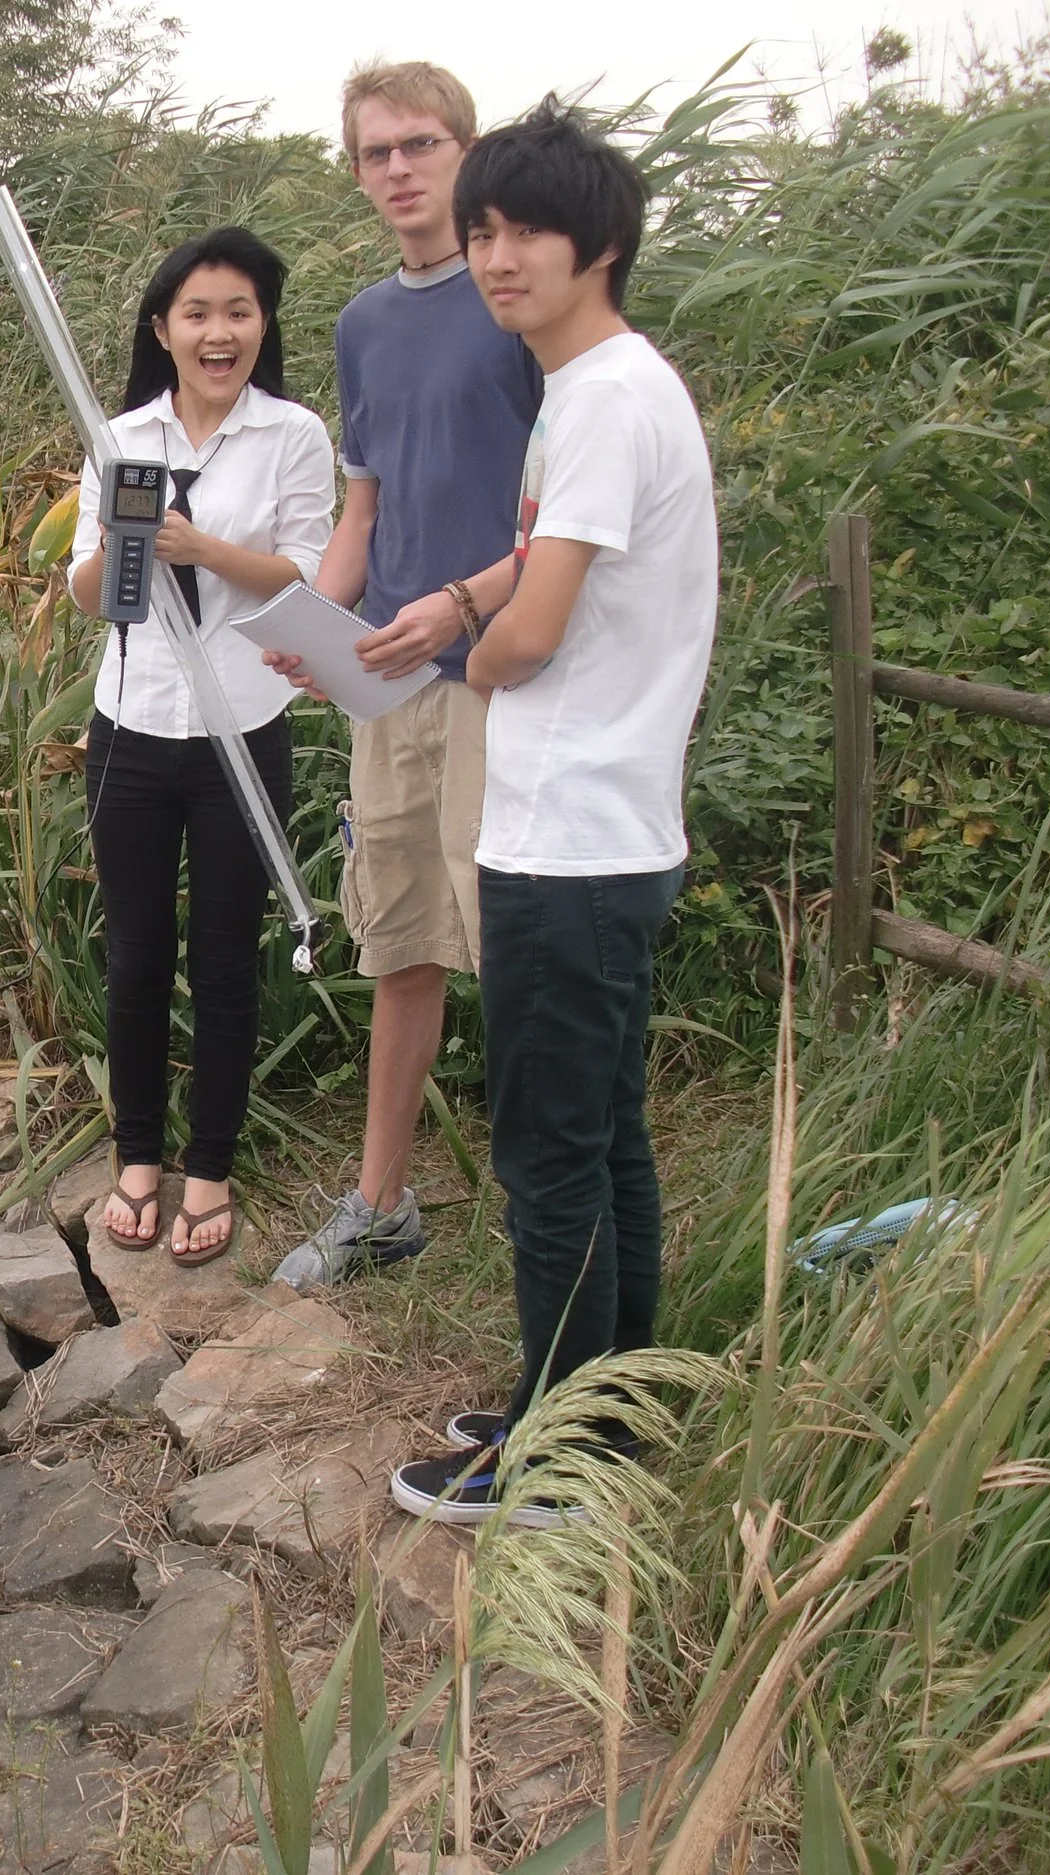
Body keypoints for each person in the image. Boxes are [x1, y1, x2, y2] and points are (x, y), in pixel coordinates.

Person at [388, 102, 719, 1526]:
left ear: (603, 243)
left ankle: (556, 1457)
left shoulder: (600, 396)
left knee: (547, 1153)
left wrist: (471, 644)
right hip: (610, 826)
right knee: (604, 1135)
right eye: (482, 231)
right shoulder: (613, 387)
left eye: (523, 229)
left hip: (567, 836)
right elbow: (526, 573)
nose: (496, 254)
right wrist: (455, 608)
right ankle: (606, 1393)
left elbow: (539, 627)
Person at [268, 60, 543, 1291]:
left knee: (521, 947)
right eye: (375, 152)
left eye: (419, 145)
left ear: (465, 151)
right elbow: (359, 515)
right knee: (398, 944)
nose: (398, 170)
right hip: (391, 687)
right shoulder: (362, 325)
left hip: (506, 672)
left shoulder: (521, 300)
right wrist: (312, 626)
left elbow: (565, 520)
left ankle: (555, 1207)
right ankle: (380, 1204)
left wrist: (463, 608)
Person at [66, 227, 334, 1267]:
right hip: (130, 726)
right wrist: (121, 549)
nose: (218, 333)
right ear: (162, 329)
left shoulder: (292, 436)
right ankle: (138, 1155)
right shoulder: (120, 436)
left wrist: (199, 547)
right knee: (135, 957)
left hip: (241, 729)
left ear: (262, 326)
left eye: (239, 313)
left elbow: (306, 573)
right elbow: (89, 592)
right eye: (197, 314)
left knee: (224, 962)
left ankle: (209, 1166)